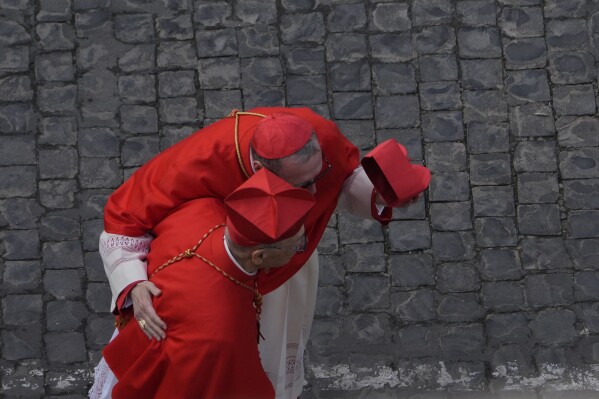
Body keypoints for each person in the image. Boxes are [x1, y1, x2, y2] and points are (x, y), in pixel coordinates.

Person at [98, 107, 425, 398]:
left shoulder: (316, 136)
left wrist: (380, 195)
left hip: (273, 266)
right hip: (219, 282)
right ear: (258, 169)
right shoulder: (197, 162)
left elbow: (341, 182)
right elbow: (124, 218)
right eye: (302, 186)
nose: (313, 194)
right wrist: (135, 284)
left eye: (317, 176)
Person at [91, 169, 316, 398]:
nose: (301, 248)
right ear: (258, 257)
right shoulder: (221, 334)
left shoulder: (202, 209)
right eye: (297, 245)